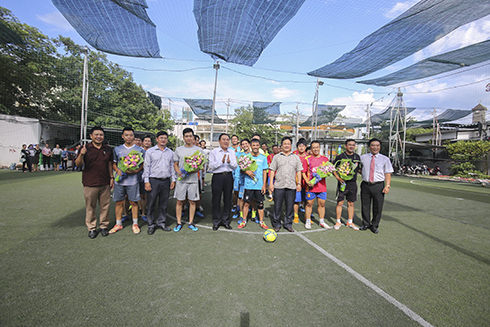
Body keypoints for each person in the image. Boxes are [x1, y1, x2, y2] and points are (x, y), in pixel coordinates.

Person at [75, 127, 114, 239]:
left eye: (101, 135)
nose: (99, 137)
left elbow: (109, 164)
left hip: (105, 182)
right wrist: (82, 154)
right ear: (91, 136)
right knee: (90, 206)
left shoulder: (107, 149)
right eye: (96, 134)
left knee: (105, 206)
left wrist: (111, 177)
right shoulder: (85, 148)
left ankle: (103, 226)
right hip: (90, 183)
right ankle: (92, 228)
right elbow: (78, 164)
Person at [109, 127, 145, 235]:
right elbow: (114, 163)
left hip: (133, 181)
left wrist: (137, 170)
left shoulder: (140, 150)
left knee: (134, 202)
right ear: (123, 136)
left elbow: (143, 163)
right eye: (126, 135)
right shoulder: (117, 149)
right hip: (120, 181)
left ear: (134, 137)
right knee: (119, 202)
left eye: (131, 135)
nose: (129, 137)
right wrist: (117, 171)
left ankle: (135, 224)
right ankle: (118, 223)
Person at [143, 131, 176, 235]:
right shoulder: (150, 152)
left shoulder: (170, 152)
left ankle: (161, 222)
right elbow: (146, 167)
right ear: (157, 139)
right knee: (151, 203)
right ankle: (151, 224)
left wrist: (173, 180)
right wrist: (146, 181)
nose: (163, 140)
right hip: (153, 180)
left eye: (165, 138)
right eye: (161, 138)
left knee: (164, 204)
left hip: (166, 181)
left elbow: (172, 167)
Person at [269, 136, 303, 232]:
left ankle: (288, 224)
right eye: (285, 144)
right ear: (281, 145)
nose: (287, 145)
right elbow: (272, 170)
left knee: (289, 206)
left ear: (291, 145)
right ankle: (277, 224)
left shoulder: (296, 157)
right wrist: (271, 184)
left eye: (288, 144)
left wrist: (299, 183)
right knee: (277, 206)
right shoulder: (277, 157)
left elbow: (299, 171)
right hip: (279, 185)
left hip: (291, 186)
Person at [360, 138, 393, 234]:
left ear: (380, 147)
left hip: (378, 185)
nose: (375, 147)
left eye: (377, 145)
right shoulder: (363, 157)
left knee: (378, 207)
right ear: (369, 147)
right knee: (365, 206)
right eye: (373, 145)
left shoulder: (385, 159)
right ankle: (366, 224)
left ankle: (374, 225)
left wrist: (387, 185)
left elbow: (388, 173)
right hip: (365, 185)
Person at [173, 128, 202, 232]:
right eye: (186, 136)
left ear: (193, 137)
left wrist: (193, 169)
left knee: (192, 202)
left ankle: (191, 222)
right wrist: (179, 172)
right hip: (181, 180)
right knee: (180, 201)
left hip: (193, 180)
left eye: (190, 136)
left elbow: (201, 165)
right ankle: (178, 222)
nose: (188, 138)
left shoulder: (198, 150)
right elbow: (175, 164)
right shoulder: (178, 150)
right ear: (183, 137)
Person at [238, 139, 269, 229]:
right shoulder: (246, 157)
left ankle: (261, 221)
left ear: (259, 146)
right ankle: (244, 221)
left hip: (259, 185)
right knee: (246, 203)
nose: (255, 147)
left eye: (257, 145)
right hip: (248, 184)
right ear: (250, 146)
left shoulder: (263, 157)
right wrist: (247, 172)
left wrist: (264, 185)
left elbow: (264, 171)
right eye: (253, 145)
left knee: (260, 204)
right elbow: (241, 170)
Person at [209, 133, 237, 230]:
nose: (226, 141)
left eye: (227, 139)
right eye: (223, 139)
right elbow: (211, 166)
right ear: (219, 141)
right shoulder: (214, 152)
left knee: (227, 199)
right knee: (216, 199)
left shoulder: (232, 152)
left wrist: (229, 162)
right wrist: (221, 161)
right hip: (217, 177)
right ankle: (216, 221)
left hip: (228, 177)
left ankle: (226, 221)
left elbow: (235, 166)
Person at [332, 139, 361, 230]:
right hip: (342, 183)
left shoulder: (357, 157)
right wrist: (338, 178)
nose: (351, 146)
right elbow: (333, 168)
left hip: (353, 183)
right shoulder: (340, 157)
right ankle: (338, 221)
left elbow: (360, 169)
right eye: (349, 145)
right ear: (346, 146)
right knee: (340, 202)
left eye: (353, 145)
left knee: (351, 203)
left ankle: (350, 222)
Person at [304, 140, 331, 229]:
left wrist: (325, 174)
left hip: (322, 187)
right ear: (311, 149)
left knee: (322, 204)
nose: (316, 149)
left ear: (320, 148)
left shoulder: (325, 159)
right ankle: (308, 221)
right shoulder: (307, 159)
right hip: (310, 187)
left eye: (317, 147)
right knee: (309, 204)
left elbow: (328, 171)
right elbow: (303, 172)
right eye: (314, 147)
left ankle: (322, 221)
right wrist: (307, 182)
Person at [232, 139, 250, 221]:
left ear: (249, 144)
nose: (245, 145)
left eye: (246, 143)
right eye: (243, 144)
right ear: (241, 146)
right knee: (240, 197)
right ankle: (240, 214)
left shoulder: (253, 155)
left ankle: (253, 214)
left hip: (250, 179)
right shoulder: (239, 155)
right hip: (241, 179)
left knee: (251, 198)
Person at [293, 138, 308, 223]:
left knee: (306, 200)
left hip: (306, 183)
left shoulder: (308, 157)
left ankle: (307, 216)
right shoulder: (294, 156)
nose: (301, 148)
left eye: (303, 146)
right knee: (296, 200)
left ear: (306, 147)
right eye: (300, 146)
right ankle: (296, 215)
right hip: (296, 182)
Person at [139, 135, 153, 222]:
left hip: (151, 175)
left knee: (148, 194)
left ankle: (146, 210)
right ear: (142, 142)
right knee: (142, 194)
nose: (147, 142)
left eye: (149, 141)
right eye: (145, 141)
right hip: (141, 175)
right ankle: (142, 211)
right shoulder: (140, 151)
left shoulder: (152, 151)